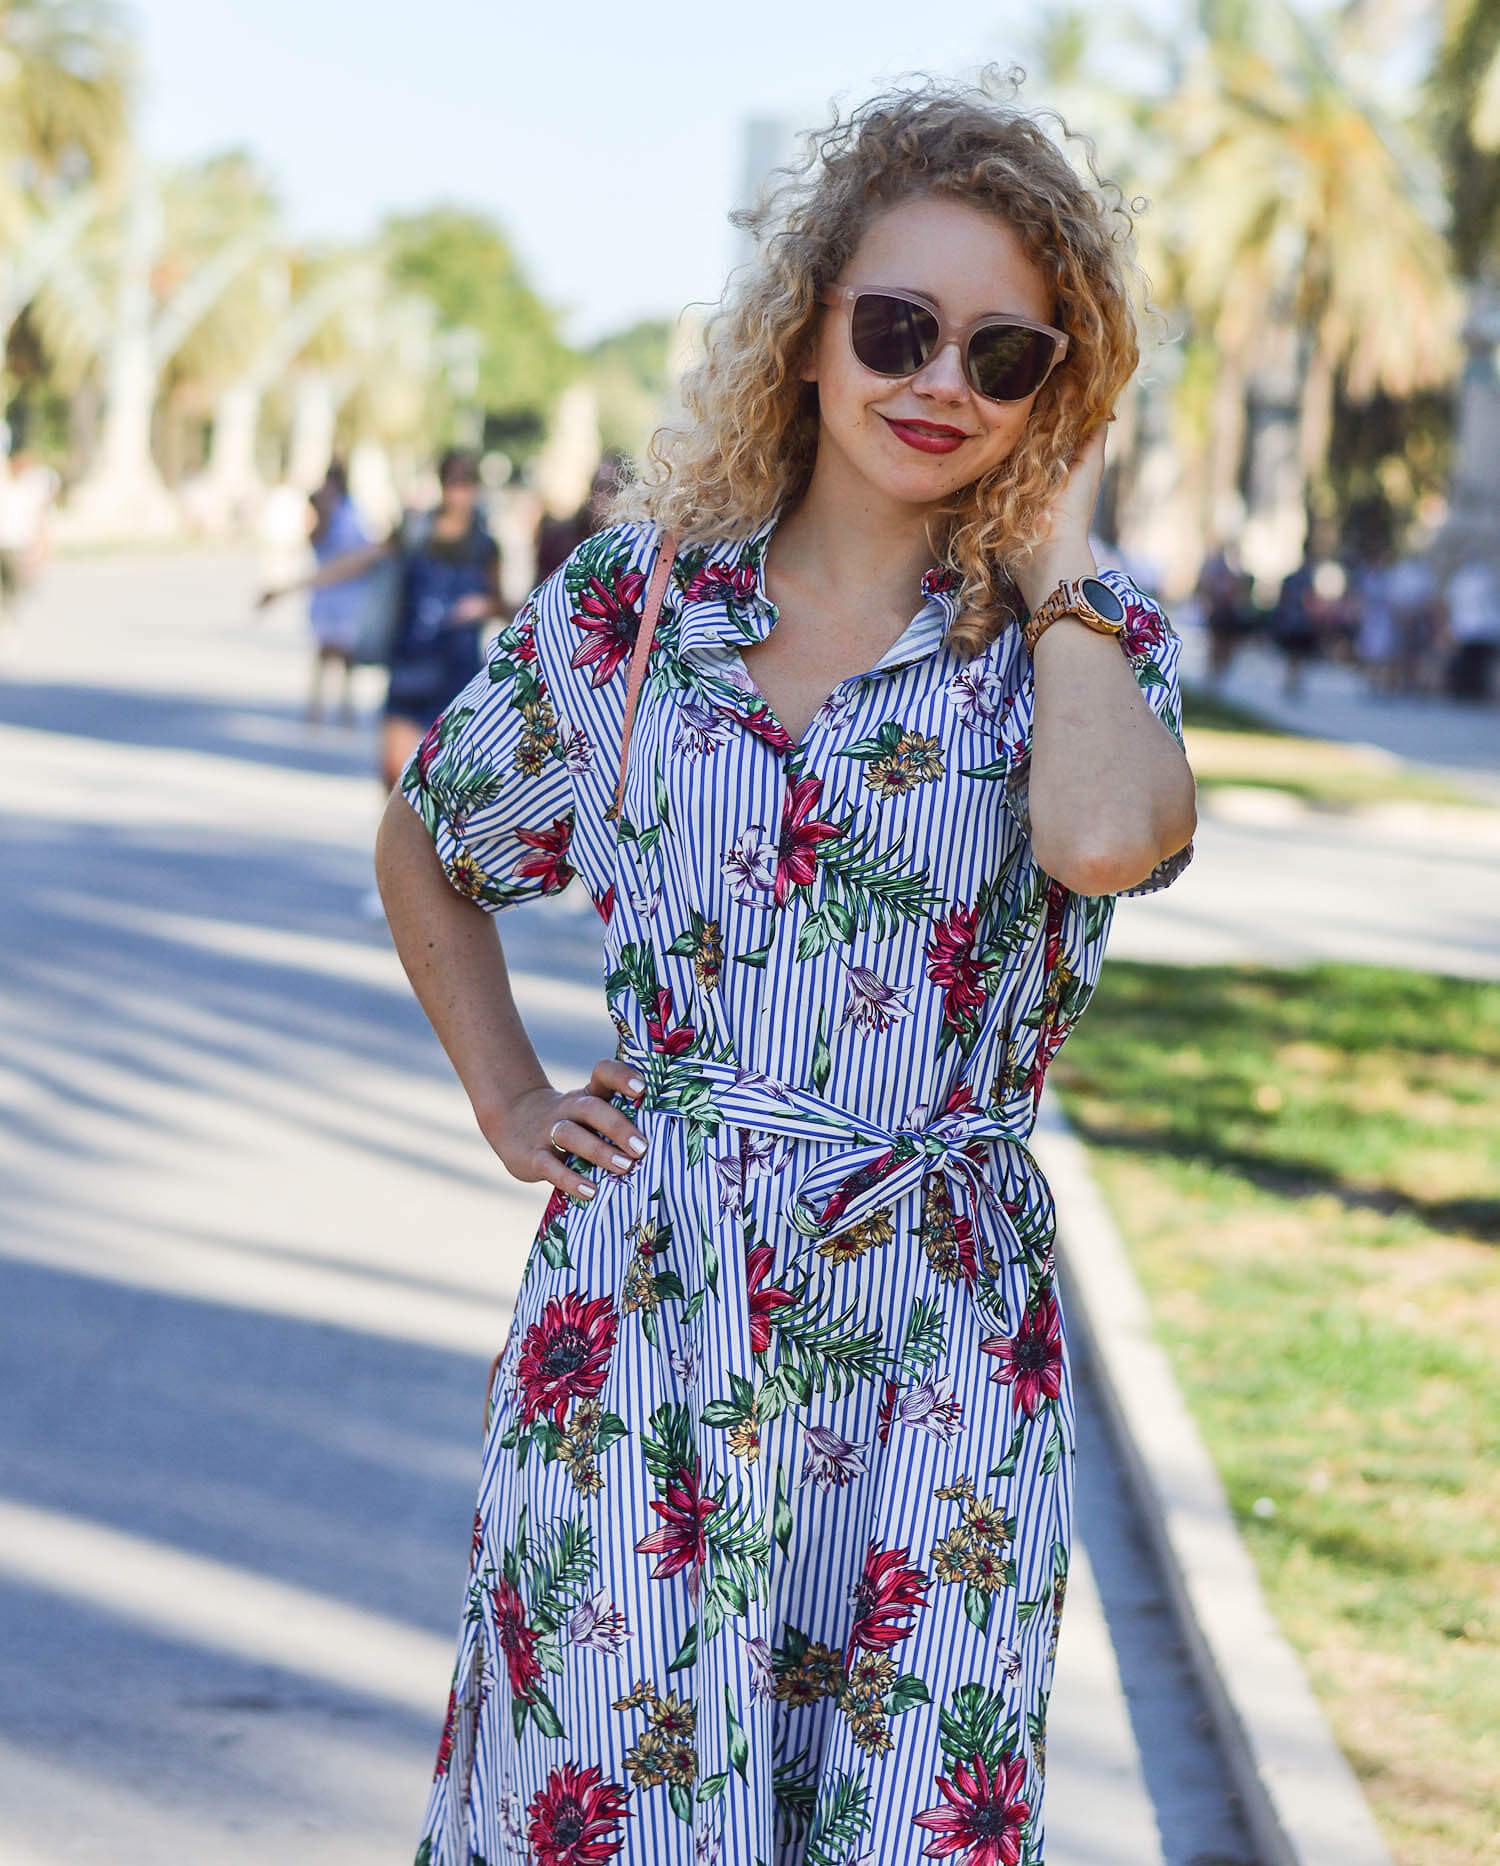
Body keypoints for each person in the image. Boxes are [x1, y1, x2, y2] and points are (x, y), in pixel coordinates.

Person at [376, 80, 1196, 1866]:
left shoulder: (1076, 649)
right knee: (608, 1808)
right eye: (896, 327)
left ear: (1055, 389)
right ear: (809, 326)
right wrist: (512, 1095)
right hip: (649, 1317)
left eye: (1003, 355)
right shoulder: (635, 609)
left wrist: (1053, 550)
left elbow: (1109, 839)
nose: (936, 384)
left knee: (899, 1823)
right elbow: (435, 843)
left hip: (936, 1344)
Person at [260, 448, 509, 790]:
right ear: (441, 483)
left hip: (457, 674)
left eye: (466, 482)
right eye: (452, 481)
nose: (459, 491)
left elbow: (507, 604)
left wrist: (486, 606)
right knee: (393, 779)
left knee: (449, 787)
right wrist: (290, 586)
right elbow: (358, 561)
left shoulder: (486, 547)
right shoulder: (415, 531)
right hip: (409, 666)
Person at [303, 461, 370, 726]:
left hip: (346, 595)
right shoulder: (324, 512)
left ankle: (346, 707)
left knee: (345, 656)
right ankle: (316, 707)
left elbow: (357, 554)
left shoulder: (350, 514)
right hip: (326, 593)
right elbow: (313, 541)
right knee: (322, 653)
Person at [0, 441, 59, 623]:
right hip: (4, 543)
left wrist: (41, 549)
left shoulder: (32, 487)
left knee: (16, 585)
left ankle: (10, 614)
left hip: (19, 544)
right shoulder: (7, 485)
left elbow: (41, 520)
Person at [1443, 557, 1500, 701]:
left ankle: (1475, 691)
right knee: (1472, 663)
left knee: (1478, 663)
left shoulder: (1481, 578)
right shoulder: (1482, 578)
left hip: (1476, 627)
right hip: (1473, 627)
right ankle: (1469, 691)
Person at [1195, 541, 1252, 681]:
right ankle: (1212, 673)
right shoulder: (1220, 569)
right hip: (1220, 612)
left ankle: (1219, 674)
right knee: (1216, 643)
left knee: (1227, 646)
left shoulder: (1239, 573)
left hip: (1230, 615)